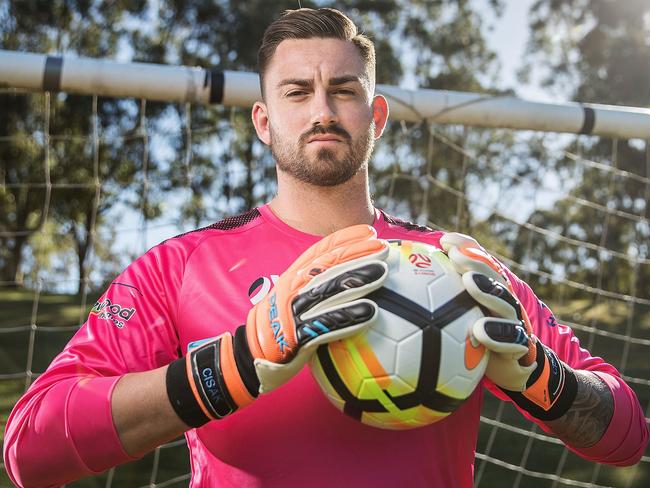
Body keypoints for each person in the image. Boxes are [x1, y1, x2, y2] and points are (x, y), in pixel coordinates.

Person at [3, 7, 648, 488]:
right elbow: (29, 447)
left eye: (345, 89)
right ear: (263, 119)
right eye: (296, 91)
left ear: (378, 116)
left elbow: (627, 436)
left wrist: (545, 380)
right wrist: (227, 371)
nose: (323, 110)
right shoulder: (182, 267)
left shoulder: (459, 270)